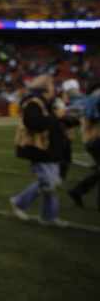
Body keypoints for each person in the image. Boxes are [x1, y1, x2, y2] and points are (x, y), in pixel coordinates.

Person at [9, 75, 68, 226]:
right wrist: (56, 117)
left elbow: (55, 122)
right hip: (37, 148)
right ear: (45, 88)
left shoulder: (46, 102)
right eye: (52, 85)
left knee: (49, 184)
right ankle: (19, 202)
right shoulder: (33, 103)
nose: (54, 88)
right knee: (49, 183)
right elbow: (34, 123)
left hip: (49, 148)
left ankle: (48, 216)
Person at [68, 81, 100, 210]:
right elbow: (94, 118)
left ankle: (77, 191)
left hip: (89, 139)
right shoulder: (95, 98)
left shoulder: (88, 99)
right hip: (96, 138)